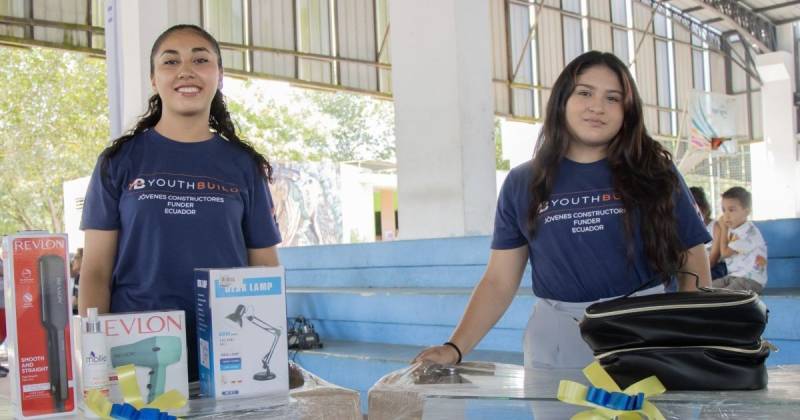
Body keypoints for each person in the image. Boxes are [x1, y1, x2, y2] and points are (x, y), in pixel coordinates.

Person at [413, 51, 711, 369]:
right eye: (585, 93)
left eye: (612, 98)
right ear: (562, 101)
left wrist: (689, 336)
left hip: (645, 332)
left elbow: (693, 259)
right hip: (557, 340)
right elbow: (499, 281)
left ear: (628, 111)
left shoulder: (655, 172)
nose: (597, 107)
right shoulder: (523, 182)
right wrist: (455, 347)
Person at [78, 24, 282, 381]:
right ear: (154, 79)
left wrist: (269, 358)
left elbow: (264, 267)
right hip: (138, 348)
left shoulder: (243, 166)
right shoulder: (119, 162)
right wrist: (96, 358)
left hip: (226, 353)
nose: (186, 70)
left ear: (219, 76)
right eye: (170, 61)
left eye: (200, 60)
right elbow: (95, 271)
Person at [710, 187, 767, 293]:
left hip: (751, 280)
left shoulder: (748, 232)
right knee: (707, 288)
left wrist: (723, 229)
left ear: (746, 212)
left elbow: (724, 253)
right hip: (734, 277)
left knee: (723, 296)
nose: (726, 215)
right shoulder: (734, 230)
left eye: (731, 210)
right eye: (724, 210)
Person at [690, 186, 727, 279]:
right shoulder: (690, 230)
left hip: (716, 266)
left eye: (697, 212)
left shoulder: (716, 226)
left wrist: (699, 272)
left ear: (705, 209)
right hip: (699, 267)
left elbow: (714, 257)